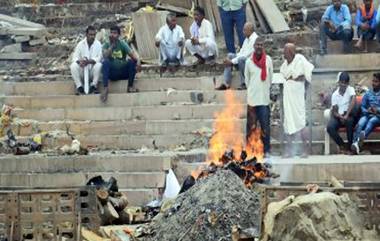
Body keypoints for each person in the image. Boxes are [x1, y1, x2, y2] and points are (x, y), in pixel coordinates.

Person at [280, 43, 314, 158]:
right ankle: (289, 151)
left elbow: (308, 73)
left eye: (285, 51)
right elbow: (283, 75)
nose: (283, 53)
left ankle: (306, 150)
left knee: (300, 122)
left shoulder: (300, 59)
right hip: (288, 96)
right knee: (288, 122)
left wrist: (302, 84)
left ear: (290, 52)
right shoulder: (285, 64)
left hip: (297, 96)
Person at [244, 37, 273, 157]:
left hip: (264, 100)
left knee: (265, 127)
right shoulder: (248, 61)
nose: (259, 47)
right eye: (257, 45)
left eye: (261, 45)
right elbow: (247, 80)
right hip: (252, 100)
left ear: (263, 46)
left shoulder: (268, 60)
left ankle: (266, 151)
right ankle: (250, 152)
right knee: (251, 127)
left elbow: (270, 78)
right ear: (254, 46)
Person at [101, 25, 141, 102]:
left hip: (122, 72)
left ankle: (130, 86)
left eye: (115, 33)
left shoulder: (122, 43)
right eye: (111, 33)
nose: (113, 35)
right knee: (105, 62)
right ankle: (105, 88)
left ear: (118, 35)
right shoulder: (106, 44)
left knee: (131, 62)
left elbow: (134, 56)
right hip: (112, 74)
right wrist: (112, 45)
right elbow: (105, 56)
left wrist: (138, 62)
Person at [215, 22, 258, 90]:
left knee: (241, 59)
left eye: (245, 30)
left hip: (252, 63)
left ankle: (244, 83)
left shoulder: (255, 39)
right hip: (244, 61)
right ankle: (226, 83)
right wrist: (230, 60)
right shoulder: (247, 39)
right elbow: (241, 52)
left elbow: (247, 55)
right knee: (230, 55)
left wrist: (232, 62)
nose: (243, 32)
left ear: (250, 30)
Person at [327, 72, 357, 154]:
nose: (343, 85)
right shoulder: (335, 94)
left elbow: (353, 100)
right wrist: (341, 117)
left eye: (345, 83)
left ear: (348, 83)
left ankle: (350, 147)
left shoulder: (350, 89)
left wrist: (346, 115)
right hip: (338, 116)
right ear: (339, 82)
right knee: (329, 127)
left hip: (348, 114)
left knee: (349, 121)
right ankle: (342, 145)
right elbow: (334, 111)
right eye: (342, 82)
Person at [351, 73, 380, 154]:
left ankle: (360, 139)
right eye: (373, 81)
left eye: (376, 81)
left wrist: (377, 110)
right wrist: (368, 111)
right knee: (360, 123)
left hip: (378, 116)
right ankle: (355, 144)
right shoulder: (368, 93)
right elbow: (363, 107)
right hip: (368, 114)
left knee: (372, 121)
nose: (374, 83)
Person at [70, 25, 102, 95]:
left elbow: (99, 58)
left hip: (92, 72)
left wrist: (89, 61)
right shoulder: (80, 44)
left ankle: (93, 86)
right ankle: (79, 87)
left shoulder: (98, 44)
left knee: (99, 65)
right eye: (90, 35)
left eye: (94, 35)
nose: (92, 37)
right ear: (86, 35)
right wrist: (80, 62)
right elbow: (74, 58)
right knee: (73, 66)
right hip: (83, 70)